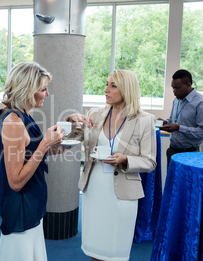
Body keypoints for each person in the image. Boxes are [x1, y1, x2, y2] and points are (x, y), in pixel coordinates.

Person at [66, 69, 157, 261]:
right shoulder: (95, 114)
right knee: (95, 249)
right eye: (107, 84)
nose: (106, 89)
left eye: (113, 86)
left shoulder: (144, 120)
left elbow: (150, 161)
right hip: (94, 190)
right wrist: (71, 121)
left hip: (122, 194)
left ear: (127, 89)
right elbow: (70, 139)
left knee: (115, 251)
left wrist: (125, 160)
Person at [0, 62, 65, 261]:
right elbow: (15, 182)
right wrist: (44, 145)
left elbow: (30, 155)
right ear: (27, 90)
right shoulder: (13, 122)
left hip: (31, 206)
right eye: (43, 89)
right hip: (21, 211)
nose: (47, 94)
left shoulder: (25, 116)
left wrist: (53, 147)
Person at [158, 69, 203, 168]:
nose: (174, 91)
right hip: (172, 152)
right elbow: (173, 120)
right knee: (171, 183)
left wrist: (179, 128)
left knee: (188, 183)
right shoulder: (177, 100)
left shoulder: (202, 103)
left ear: (188, 85)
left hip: (190, 154)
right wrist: (165, 122)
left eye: (177, 88)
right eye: (173, 87)